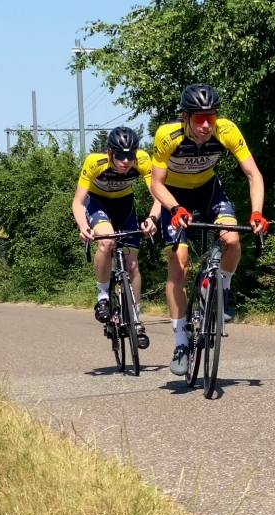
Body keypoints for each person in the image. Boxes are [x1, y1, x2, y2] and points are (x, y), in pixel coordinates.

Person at [149, 83, 268, 375]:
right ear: (185, 117)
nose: (205, 125)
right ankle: (180, 341)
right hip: (175, 196)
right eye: (199, 118)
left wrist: (256, 212)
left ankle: (223, 288)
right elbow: (156, 183)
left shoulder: (227, 131)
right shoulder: (168, 136)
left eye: (210, 117)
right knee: (178, 266)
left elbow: (253, 174)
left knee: (233, 239)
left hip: (208, 189)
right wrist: (175, 208)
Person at [71, 126, 161, 350]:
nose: (126, 161)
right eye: (120, 155)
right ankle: (103, 297)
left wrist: (153, 219)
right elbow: (78, 201)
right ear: (110, 153)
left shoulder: (142, 160)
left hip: (124, 206)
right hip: (98, 204)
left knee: (132, 265)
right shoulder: (95, 162)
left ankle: (136, 320)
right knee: (106, 241)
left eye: (130, 155)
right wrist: (83, 226)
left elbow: (159, 193)